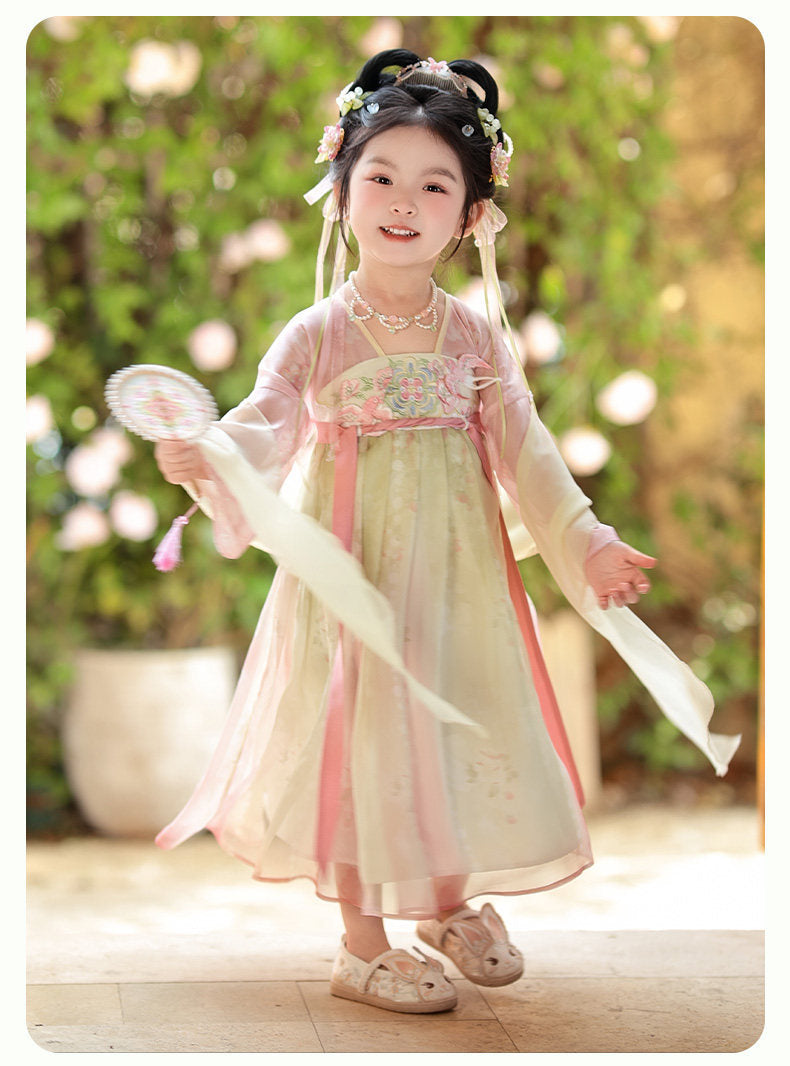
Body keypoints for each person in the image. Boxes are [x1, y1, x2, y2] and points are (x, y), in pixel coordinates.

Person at [152, 49, 739, 1014]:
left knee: (451, 724)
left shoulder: (472, 338)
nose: (402, 201)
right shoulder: (319, 334)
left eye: (434, 185)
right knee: (361, 737)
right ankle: (359, 942)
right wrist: (211, 458)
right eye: (379, 176)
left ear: (472, 216)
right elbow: (263, 423)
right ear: (339, 191)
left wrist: (583, 538)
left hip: (457, 581)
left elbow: (528, 449)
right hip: (355, 580)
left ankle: (447, 901)